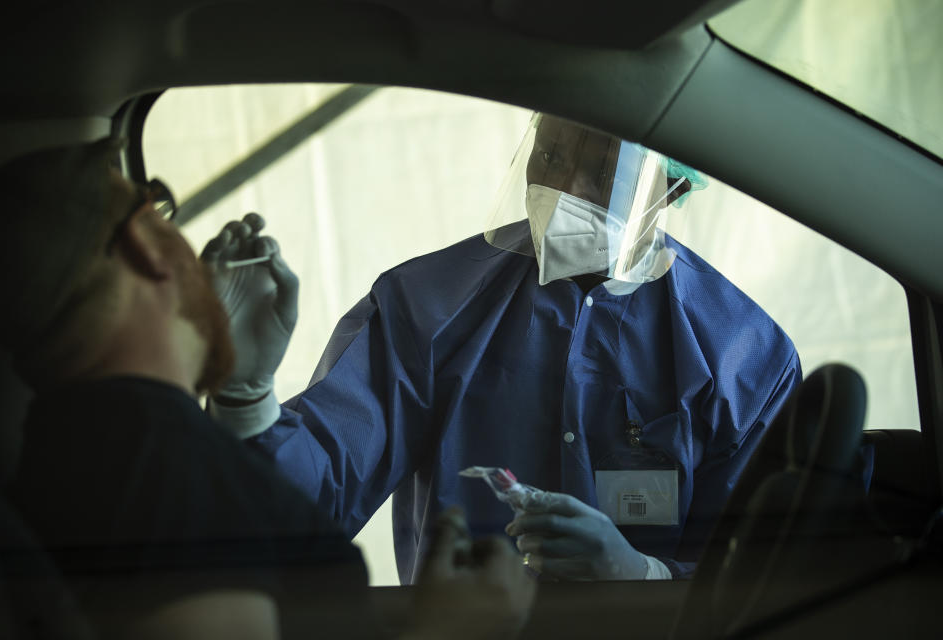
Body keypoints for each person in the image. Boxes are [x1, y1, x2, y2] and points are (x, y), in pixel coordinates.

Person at [206, 113, 802, 583]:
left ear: (669, 185)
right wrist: (247, 397)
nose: (562, 188)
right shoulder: (430, 307)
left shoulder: (740, 355)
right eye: (549, 155)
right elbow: (307, 500)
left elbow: (769, 577)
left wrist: (641, 576)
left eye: (600, 171)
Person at [0, 138, 535, 639]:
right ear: (142, 244)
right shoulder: (159, 458)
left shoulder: (67, 447)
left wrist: (244, 400)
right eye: (158, 206)